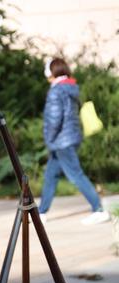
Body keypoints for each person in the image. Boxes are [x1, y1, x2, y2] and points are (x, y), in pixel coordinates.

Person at [39, 57, 109, 225]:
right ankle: (41, 212)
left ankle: (99, 209)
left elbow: (55, 119)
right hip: (68, 139)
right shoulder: (70, 88)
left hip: (61, 141)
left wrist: (48, 137)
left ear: (52, 72)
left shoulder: (56, 91)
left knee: (76, 175)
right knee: (51, 175)